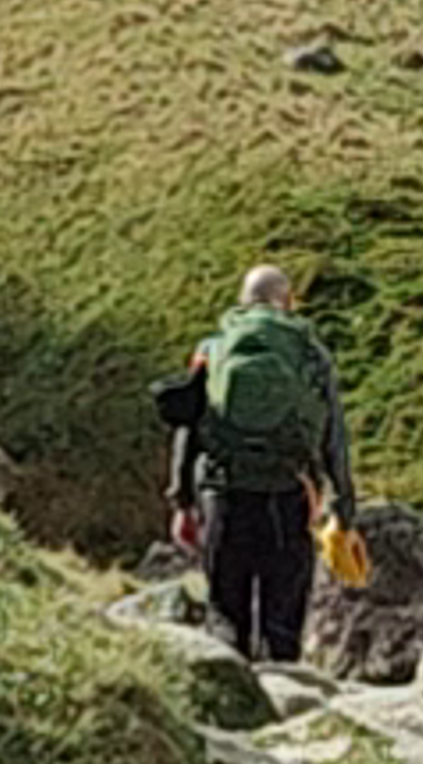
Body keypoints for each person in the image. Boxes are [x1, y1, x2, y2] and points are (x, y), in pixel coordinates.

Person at [154, 260, 359, 671]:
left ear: (243, 303)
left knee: (226, 614)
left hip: (223, 493)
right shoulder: (311, 354)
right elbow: (333, 435)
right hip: (288, 494)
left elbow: (189, 429)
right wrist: (344, 511)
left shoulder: (212, 349)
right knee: (282, 622)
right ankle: (285, 713)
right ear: (288, 302)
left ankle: (234, 707)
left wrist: (182, 502)